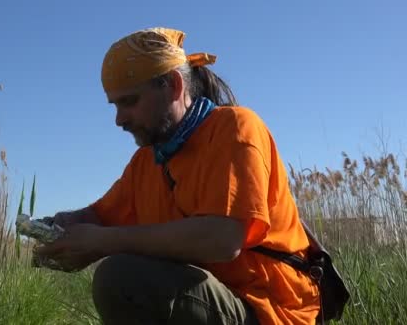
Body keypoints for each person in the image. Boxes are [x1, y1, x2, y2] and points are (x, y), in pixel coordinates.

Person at [35, 27, 320, 325]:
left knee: (121, 278)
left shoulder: (235, 129)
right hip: (216, 299)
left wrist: (103, 242)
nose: (119, 119)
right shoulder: (147, 161)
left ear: (173, 85)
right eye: (115, 105)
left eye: (129, 102)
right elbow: (103, 216)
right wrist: (65, 225)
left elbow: (223, 239)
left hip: (269, 311)